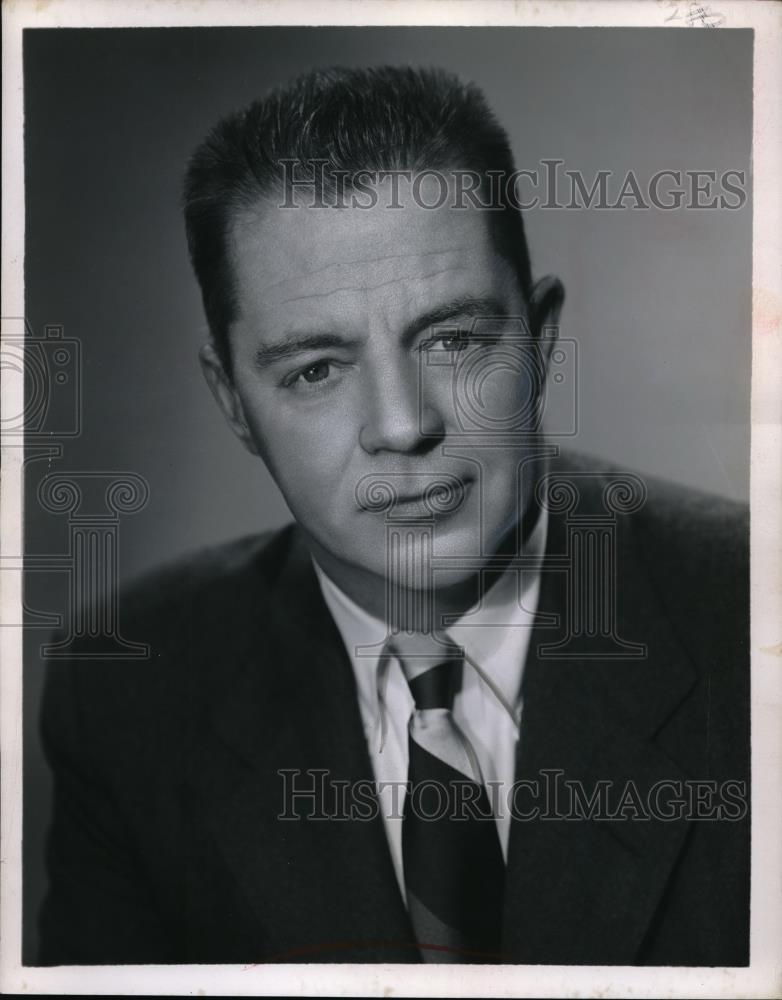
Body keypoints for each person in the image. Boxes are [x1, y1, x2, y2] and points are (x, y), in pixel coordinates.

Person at [38, 66, 749, 966]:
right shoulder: (126, 691)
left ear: (540, 342)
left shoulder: (751, 624)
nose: (404, 425)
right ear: (232, 403)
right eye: (316, 370)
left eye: (453, 340)